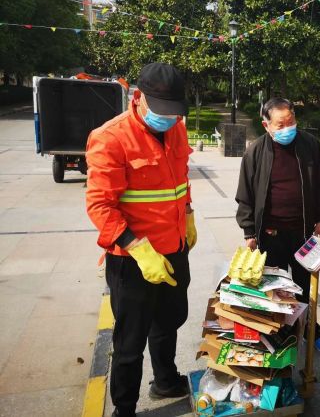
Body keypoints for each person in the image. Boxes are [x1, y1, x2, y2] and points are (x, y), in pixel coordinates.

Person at [86, 63, 196, 417]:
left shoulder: (177, 129)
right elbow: (100, 206)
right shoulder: (111, 137)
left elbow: (181, 179)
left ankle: (165, 380)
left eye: (174, 111)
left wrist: (188, 214)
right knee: (130, 341)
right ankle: (125, 407)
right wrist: (137, 247)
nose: (169, 118)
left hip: (174, 249)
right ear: (138, 98)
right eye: (161, 110)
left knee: (169, 322)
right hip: (133, 260)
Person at [235, 97, 320, 356]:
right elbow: (245, 194)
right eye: (280, 124)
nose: (287, 128)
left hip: (303, 234)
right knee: (276, 290)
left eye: (291, 121)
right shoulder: (256, 151)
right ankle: (280, 335)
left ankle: (311, 333)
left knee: (305, 288)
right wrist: (249, 231)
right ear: (266, 125)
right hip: (270, 236)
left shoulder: (309, 145)